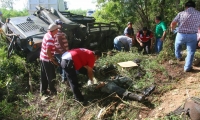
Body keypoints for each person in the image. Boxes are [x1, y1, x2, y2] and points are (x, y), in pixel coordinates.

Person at [170, 1, 200, 72]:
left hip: (181, 35)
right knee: (191, 52)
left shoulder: (181, 13)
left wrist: (172, 29)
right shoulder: (199, 14)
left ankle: (178, 57)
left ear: (186, 7)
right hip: (192, 35)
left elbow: (173, 23)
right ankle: (187, 68)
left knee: (177, 45)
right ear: (194, 7)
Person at [40, 23, 60, 95]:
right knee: (51, 76)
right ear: (54, 30)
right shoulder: (50, 38)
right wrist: (52, 60)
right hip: (47, 59)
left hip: (43, 58)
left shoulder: (47, 34)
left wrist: (59, 51)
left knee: (44, 75)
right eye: (57, 29)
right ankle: (53, 91)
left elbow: (52, 47)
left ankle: (43, 90)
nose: (58, 30)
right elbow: (48, 50)